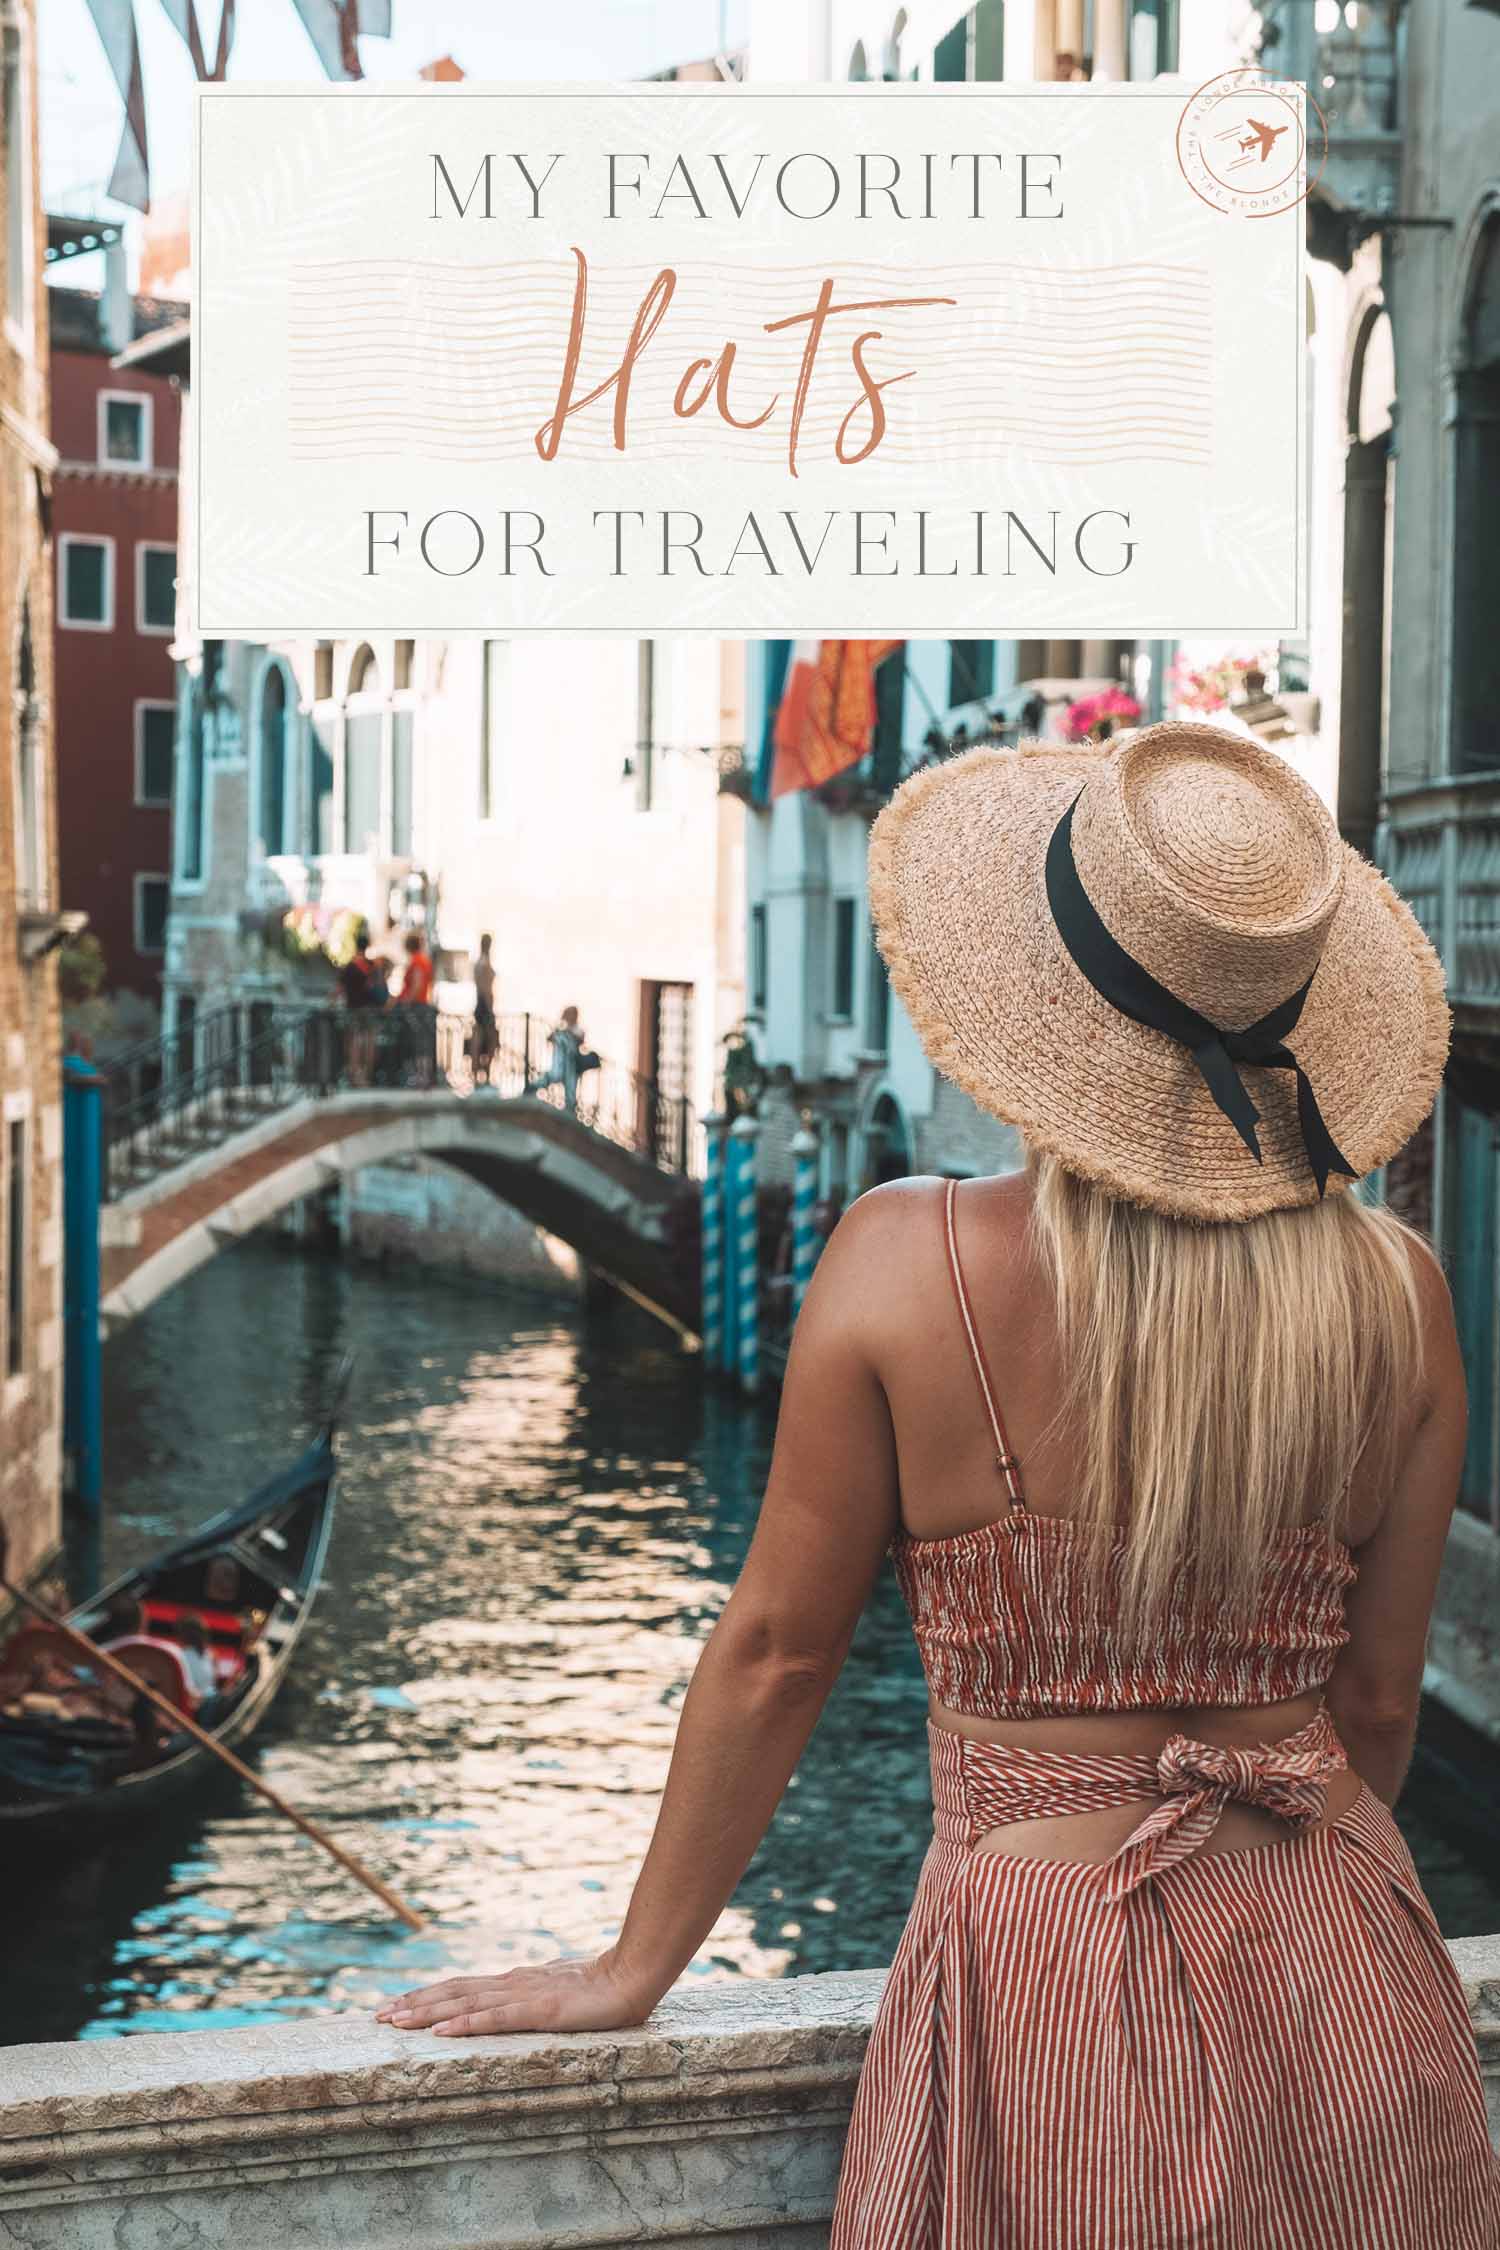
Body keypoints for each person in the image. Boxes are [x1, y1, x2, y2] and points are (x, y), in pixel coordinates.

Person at [377, 725, 1498, 2247]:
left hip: (1043, 1966)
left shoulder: (906, 1261)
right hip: (1342, 1952)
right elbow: (1375, 1711)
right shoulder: (1401, 1294)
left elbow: (780, 1653)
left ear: (1045, 1005)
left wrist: (630, 1970)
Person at [395, 929, 436, 1088]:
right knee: (422, 1041)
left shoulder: (418, 961)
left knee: (419, 1042)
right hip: (421, 1004)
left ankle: (422, 1076)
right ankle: (423, 1076)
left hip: (417, 1006)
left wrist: (406, 1001)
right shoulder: (423, 960)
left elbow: (417, 985)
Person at [340, 924, 379, 1088]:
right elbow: (377, 986)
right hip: (369, 1008)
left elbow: (340, 989)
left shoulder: (350, 966)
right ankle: (367, 1075)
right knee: (370, 1040)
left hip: (353, 1008)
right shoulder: (372, 966)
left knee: (354, 1041)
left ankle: (354, 1076)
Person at [527, 1004, 586, 1114]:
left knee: (570, 1089)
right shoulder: (561, 1030)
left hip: (571, 1065)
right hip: (559, 1063)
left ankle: (570, 1109)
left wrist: (565, 1031)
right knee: (554, 1077)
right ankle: (531, 1088)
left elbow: (580, 1039)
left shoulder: (577, 1030)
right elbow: (550, 1038)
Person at [471, 933, 498, 1087]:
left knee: (480, 1038)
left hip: (481, 1005)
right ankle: (484, 1074)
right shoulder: (484, 963)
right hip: (485, 1006)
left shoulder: (479, 963)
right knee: (488, 1040)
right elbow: (485, 989)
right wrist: (490, 1007)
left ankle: (478, 1074)